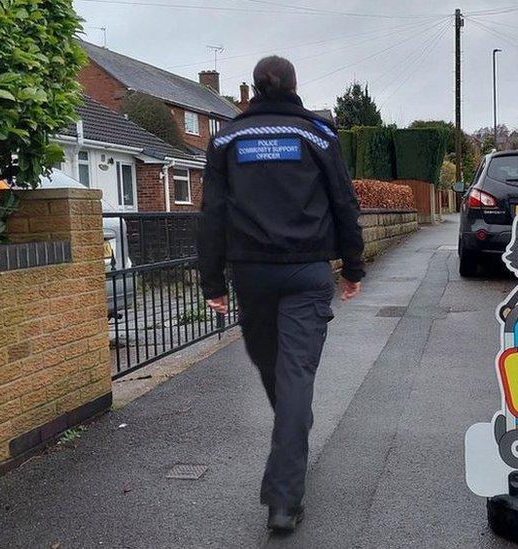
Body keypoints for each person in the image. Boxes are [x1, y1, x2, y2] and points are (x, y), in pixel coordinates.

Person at [197, 55, 364, 534]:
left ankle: (284, 495)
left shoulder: (226, 138)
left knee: (279, 373)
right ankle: (291, 451)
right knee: (291, 379)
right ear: (294, 86)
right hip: (307, 274)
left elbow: (211, 214)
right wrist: (351, 269)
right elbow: (343, 203)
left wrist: (212, 281)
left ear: (253, 88)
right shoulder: (318, 135)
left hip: (252, 277)